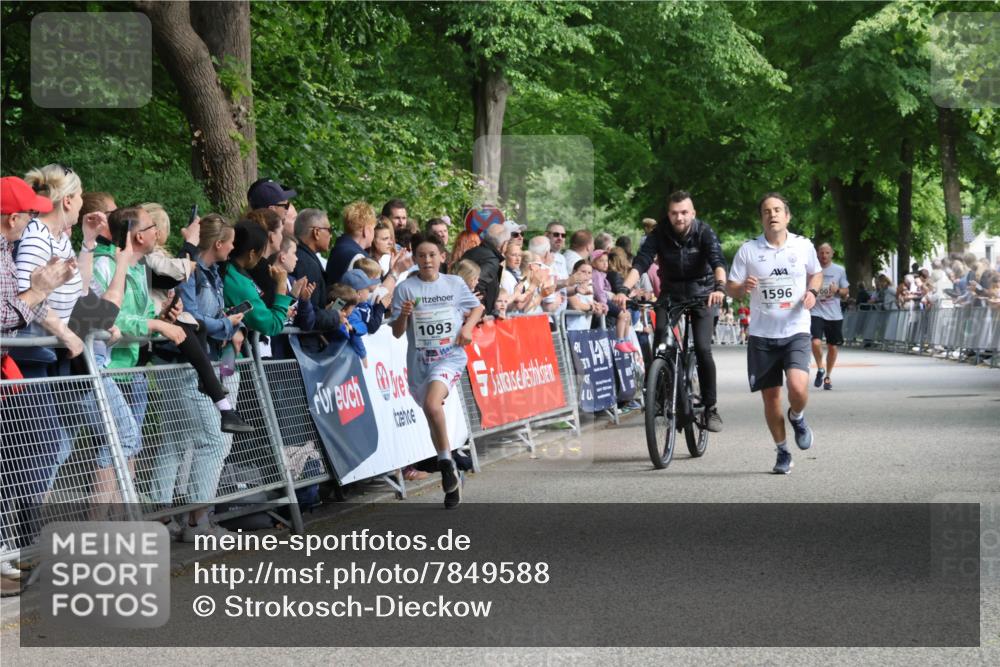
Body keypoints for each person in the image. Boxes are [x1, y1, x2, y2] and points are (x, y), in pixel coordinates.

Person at [726, 193, 822, 474]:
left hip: (796, 329)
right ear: (762, 218)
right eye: (767, 211)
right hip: (762, 334)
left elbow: (815, 273)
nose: (773, 214)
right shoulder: (748, 250)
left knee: (798, 388)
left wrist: (813, 292)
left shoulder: (803, 246)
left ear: (787, 216)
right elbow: (730, 286)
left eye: (778, 209)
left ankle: (798, 416)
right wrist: (741, 287)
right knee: (770, 399)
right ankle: (782, 452)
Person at [616, 191, 727, 432]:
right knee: (662, 347)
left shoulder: (704, 232)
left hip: (703, 294)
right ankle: (668, 397)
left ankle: (710, 407)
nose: (680, 218)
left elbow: (718, 261)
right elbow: (642, 262)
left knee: (702, 347)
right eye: (675, 213)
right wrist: (625, 288)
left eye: (684, 212)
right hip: (671, 294)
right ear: (669, 214)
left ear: (693, 213)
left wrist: (719, 287)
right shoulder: (659, 233)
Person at [391, 236, 484, 509]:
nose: (427, 260)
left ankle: (445, 462)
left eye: (432, 254)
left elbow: (478, 307)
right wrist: (405, 315)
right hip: (420, 361)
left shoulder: (454, 284)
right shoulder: (406, 289)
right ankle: (450, 468)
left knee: (433, 404)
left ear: (442, 257)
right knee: (432, 413)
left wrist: (467, 328)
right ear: (416, 259)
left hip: (449, 357)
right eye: (422, 255)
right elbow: (397, 332)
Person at [291, 208, 343, 351]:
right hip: (305, 349)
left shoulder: (301, 257)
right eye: (329, 230)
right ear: (316, 232)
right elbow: (308, 313)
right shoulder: (306, 264)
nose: (331, 236)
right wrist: (335, 315)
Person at [810, 243, 849, 390]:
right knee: (815, 342)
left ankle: (828, 376)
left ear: (832, 254)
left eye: (827, 253)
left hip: (834, 314)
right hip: (816, 311)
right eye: (821, 253)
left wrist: (837, 290)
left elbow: (846, 291)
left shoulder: (839, 270)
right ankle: (820, 368)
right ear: (817, 254)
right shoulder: (812, 270)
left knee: (833, 347)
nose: (824, 256)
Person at [460, 222, 510, 314]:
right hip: (475, 318)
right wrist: (481, 314)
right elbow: (476, 286)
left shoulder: (471, 252)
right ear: (503, 244)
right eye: (508, 243)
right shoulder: (491, 260)